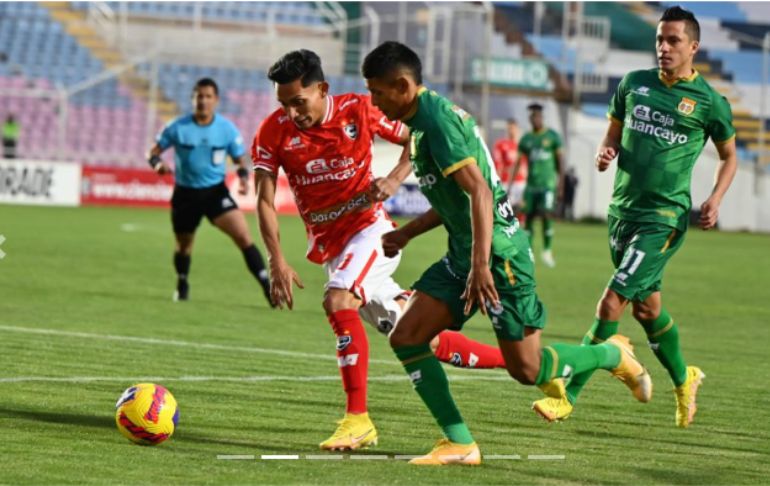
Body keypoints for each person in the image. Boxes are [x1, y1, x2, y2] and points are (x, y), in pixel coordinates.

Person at [362, 41, 652, 466]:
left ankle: (613, 354)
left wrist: (481, 266)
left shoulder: (438, 124)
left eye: (378, 92)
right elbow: (456, 203)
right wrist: (407, 235)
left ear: (403, 85)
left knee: (528, 371)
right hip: (466, 254)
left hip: (499, 259)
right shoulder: (421, 123)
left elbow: (480, 192)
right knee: (407, 335)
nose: (374, 101)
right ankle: (460, 443)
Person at [252, 50, 506, 452]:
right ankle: (529, 364)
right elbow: (265, 200)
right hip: (332, 246)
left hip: (371, 231)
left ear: (322, 89)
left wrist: (394, 177)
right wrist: (276, 258)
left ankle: (358, 421)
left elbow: (415, 138)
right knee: (421, 337)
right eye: (284, 104)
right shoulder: (273, 131)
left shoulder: (358, 110)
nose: (292, 113)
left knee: (338, 300)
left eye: (298, 102)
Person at [532, 6, 737, 428]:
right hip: (622, 212)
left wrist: (715, 197)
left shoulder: (710, 103)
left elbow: (729, 156)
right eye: (660, 39)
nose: (663, 47)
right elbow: (613, 131)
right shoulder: (633, 84)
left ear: (693, 47)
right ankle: (685, 378)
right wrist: (605, 151)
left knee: (611, 303)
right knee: (647, 310)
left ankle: (568, 395)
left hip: (663, 217)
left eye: (673, 40)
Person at [148, 78, 271, 305]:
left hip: (215, 193)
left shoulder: (226, 129)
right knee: (184, 245)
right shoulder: (177, 127)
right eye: (199, 96)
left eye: (207, 96)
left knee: (243, 236)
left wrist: (244, 179)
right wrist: (157, 164)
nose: (203, 101)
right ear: (193, 99)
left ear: (216, 100)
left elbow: (239, 160)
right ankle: (182, 281)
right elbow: (153, 152)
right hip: (185, 195)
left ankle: (267, 286)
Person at [512, 103, 563, 268]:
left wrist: (560, 185)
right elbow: (518, 163)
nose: (535, 119)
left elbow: (560, 162)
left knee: (547, 215)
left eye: (538, 116)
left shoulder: (553, 137)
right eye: (532, 117)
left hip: (547, 185)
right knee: (529, 218)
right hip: (531, 186)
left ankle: (547, 251)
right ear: (530, 119)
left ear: (542, 117)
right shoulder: (526, 139)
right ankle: (529, 253)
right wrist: (510, 185)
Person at [492, 118, 526, 215]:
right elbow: (498, 165)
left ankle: (522, 228)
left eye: (514, 128)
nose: (512, 130)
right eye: (510, 128)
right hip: (506, 182)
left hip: (520, 182)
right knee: (506, 212)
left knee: (521, 210)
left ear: (517, 129)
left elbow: (525, 166)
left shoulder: (522, 145)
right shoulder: (501, 144)